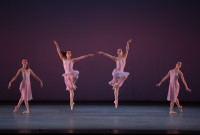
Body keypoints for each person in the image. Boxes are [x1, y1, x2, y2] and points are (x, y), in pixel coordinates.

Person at [53, 40, 94, 110]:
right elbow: (58, 52)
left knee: (70, 77)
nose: (69, 54)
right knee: (71, 91)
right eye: (68, 53)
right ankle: (71, 103)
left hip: (72, 74)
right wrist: (56, 45)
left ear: (70, 55)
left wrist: (88, 55)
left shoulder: (73, 60)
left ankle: (73, 85)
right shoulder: (63, 59)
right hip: (66, 76)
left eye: (70, 53)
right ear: (66, 54)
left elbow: (81, 57)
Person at [97, 39, 133, 108]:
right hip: (117, 73)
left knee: (117, 88)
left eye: (120, 51)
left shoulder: (124, 57)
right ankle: (116, 91)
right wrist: (102, 52)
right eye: (118, 51)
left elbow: (127, 50)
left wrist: (127, 43)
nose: (119, 52)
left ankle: (116, 101)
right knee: (122, 81)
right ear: (117, 53)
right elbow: (109, 55)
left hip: (121, 73)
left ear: (122, 52)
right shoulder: (116, 58)